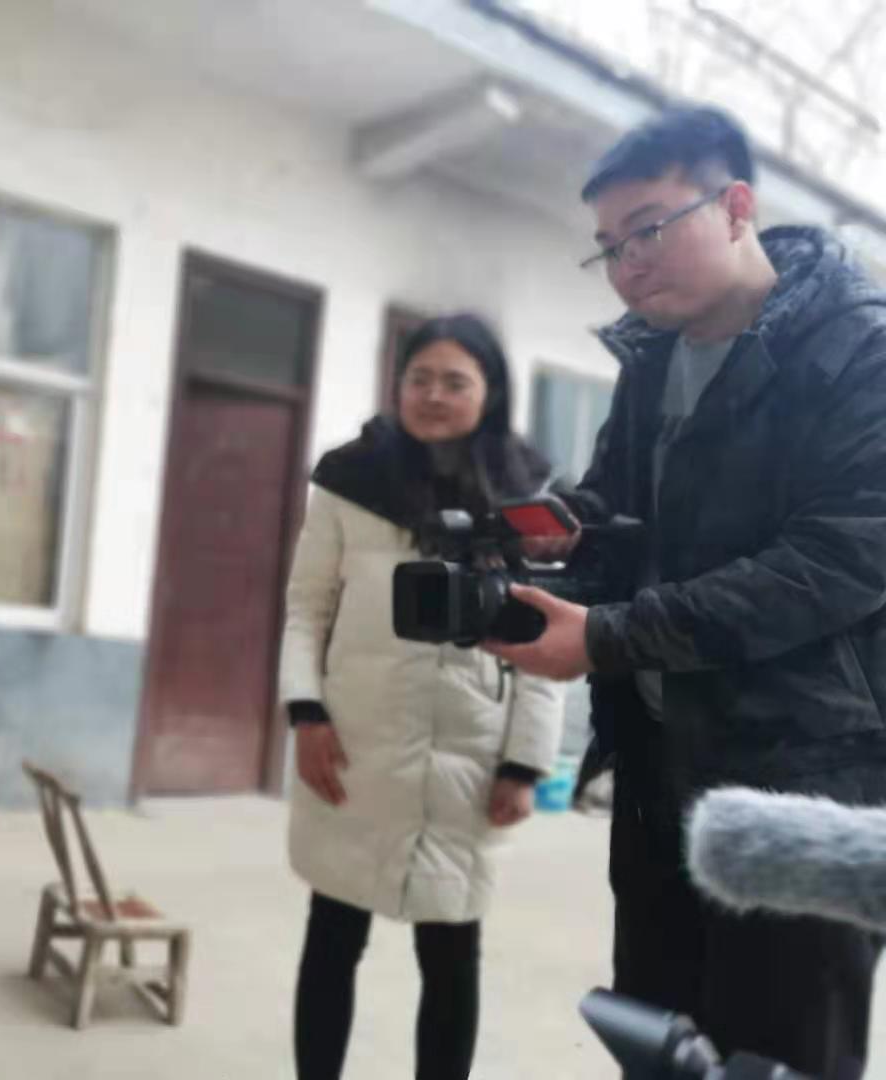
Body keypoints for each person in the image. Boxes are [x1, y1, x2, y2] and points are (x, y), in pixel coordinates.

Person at [488, 106, 886, 1080]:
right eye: (608, 246)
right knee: (658, 1037)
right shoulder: (655, 358)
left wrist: (609, 637)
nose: (627, 265)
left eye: (650, 228)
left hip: (800, 780)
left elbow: (836, 562)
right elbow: (620, 511)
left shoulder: (860, 351)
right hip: (660, 762)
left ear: (737, 205)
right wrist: (560, 534)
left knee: (779, 1052)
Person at [279, 315, 566, 1080]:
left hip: (467, 761)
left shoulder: (526, 497)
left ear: (490, 392)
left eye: (455, 382)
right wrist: (305, 713)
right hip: (354, 746)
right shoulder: (349, 480)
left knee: (451, 953)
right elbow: (308, 608)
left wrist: (524, 765)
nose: (433, 396)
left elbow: (543, 632)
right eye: (419, 379)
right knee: (332, 933)